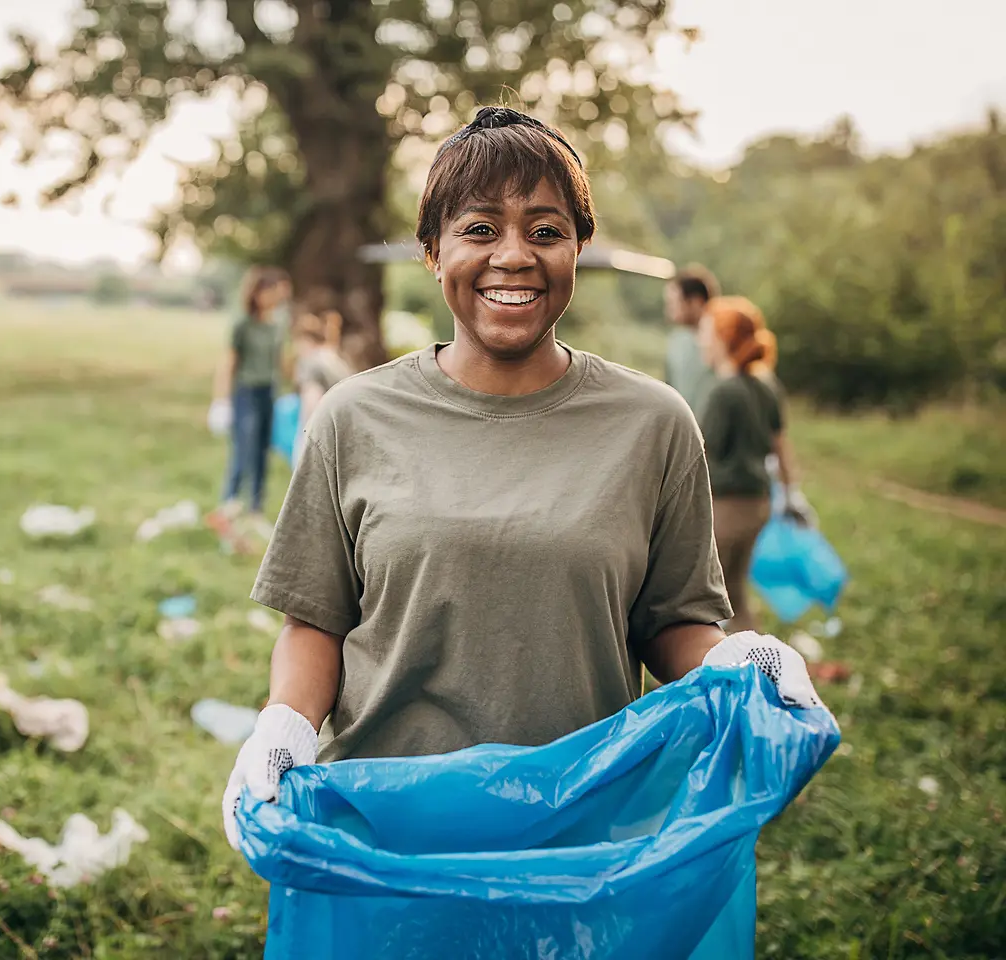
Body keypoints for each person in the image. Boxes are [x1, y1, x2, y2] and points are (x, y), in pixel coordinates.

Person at [219, 107, 825, 848]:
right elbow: (315, 619)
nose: (515, 255)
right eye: (479, 229)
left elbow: (672, 621)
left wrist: (730, 657)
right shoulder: (353, 417)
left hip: (580, 831)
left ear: (579, 247)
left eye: (545, 231)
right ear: (432, 252)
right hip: (389, 827)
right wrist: (284, 722)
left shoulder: (654, 423)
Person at [696, 296, 811, 632]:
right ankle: (756, 669)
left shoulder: (724, 393)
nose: (700, 340)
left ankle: (705, 675)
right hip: (758, 505)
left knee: (699, 601)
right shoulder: (766, 386)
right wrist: (792, 494)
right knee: (734, 595)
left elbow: (698, 456)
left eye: (705, 331)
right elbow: (781, 445)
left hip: (725, 510)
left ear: (722, 338)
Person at [206, 266, 292, 525]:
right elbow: (229, 363)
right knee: (244, 449)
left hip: (269, 392)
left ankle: (255, 508)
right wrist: (220, 400)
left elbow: (280, 361)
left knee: (262, 451)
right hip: (246, 392)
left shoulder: (277, 323)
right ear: (257, 292)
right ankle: (229, 503)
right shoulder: (242, 323)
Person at [288, 310, 352, 469]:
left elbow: (312, 399)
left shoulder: (310, 364)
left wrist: (306, 435)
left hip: (318, 430)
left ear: (305, 340)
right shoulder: (334, 359)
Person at [662, 265, 719, 416]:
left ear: (695, 302)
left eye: (674, 304)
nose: (669, 311)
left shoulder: (723, 340)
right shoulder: (676, 342)